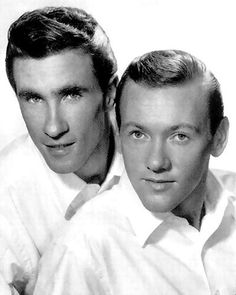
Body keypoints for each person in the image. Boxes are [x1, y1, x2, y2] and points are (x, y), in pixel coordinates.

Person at [34, 50, 236, 295]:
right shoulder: (81, 250)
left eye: (179, 136)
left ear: (219, 137)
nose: (156, 162)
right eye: (138, 135)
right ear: (119, 133)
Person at [0, 6, 124, 293]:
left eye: (70, 94)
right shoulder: (5, 195)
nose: (53, 127)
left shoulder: (159, 157)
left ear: (110, 95)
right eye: (33, 98)